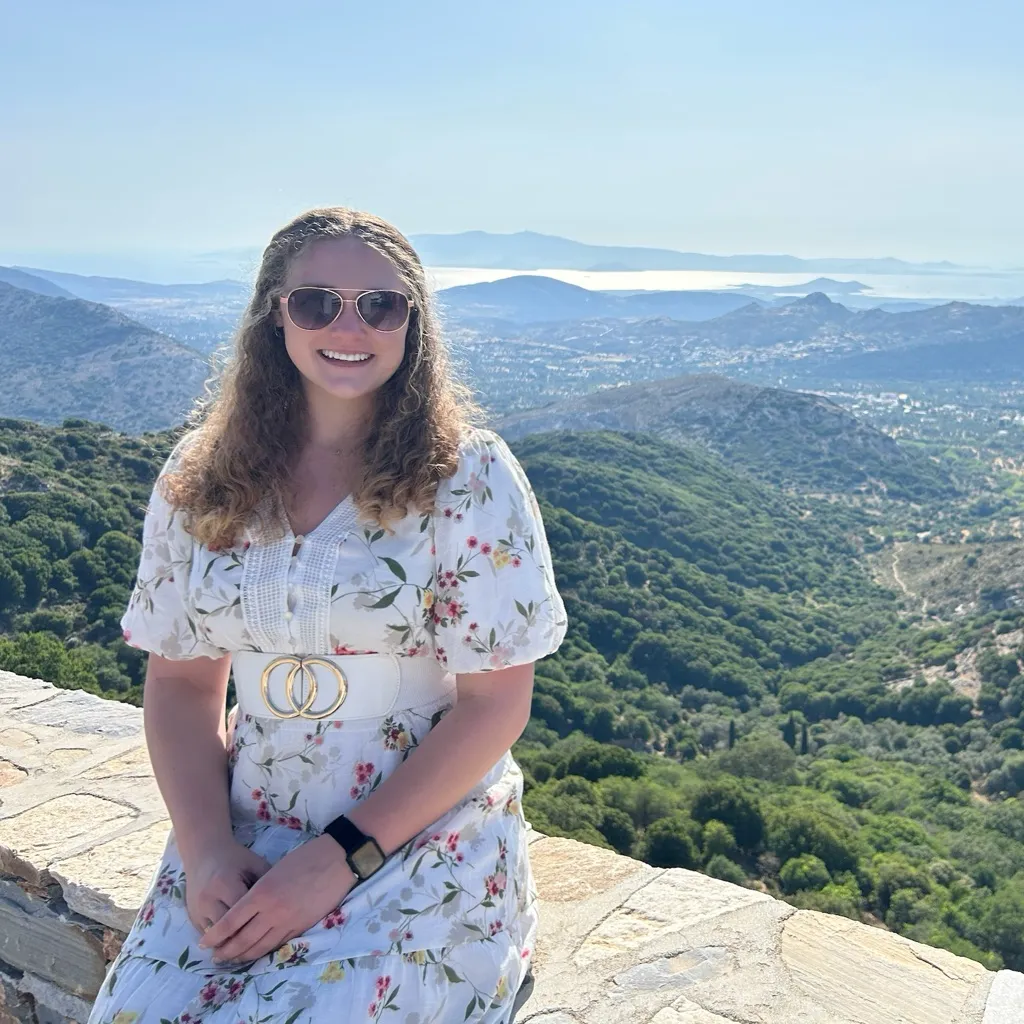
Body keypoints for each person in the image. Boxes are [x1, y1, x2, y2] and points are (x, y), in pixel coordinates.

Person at [87, 207, 568, 1024]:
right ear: (274, 316)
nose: (350, 328)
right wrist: (206, 851)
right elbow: (181, 685)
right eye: (316, 303)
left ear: (413, 324)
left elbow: (494, 704)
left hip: (420, 831)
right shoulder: (201, 476)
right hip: (246, 823)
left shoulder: (467, 476)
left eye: (380, 305)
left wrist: (340, 858)